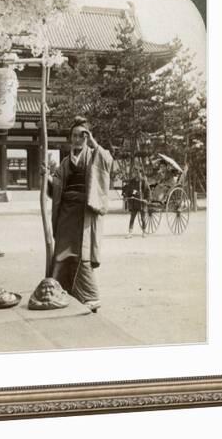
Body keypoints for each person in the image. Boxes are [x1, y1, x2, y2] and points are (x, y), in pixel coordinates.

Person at [43, 116, 113, 311]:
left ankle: (91, 295)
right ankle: (59, 290)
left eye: (81, 136)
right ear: (69, 138)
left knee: (82, 255)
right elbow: (57, 188)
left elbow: (108, 163)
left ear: (87, 138)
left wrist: (94, 143)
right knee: (61, 253)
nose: (77, 140)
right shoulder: (65, 162)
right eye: (73, 136)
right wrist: (46, 178)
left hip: (84, 212)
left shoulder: (95, 154)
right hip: (66, 212)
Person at [122, 167, 151, 238]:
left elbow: (148, 191)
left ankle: (144, 232)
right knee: (132, 218)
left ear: (140, 173)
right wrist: (127, 196)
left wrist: (147, 199)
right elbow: (128, 190)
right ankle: (130, 233)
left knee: (143, 218)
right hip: (134, 202)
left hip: (141, 202)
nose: (136, 174)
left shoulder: (144, 181)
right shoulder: (132, 181)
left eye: (138, 173)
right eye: (135, 173)